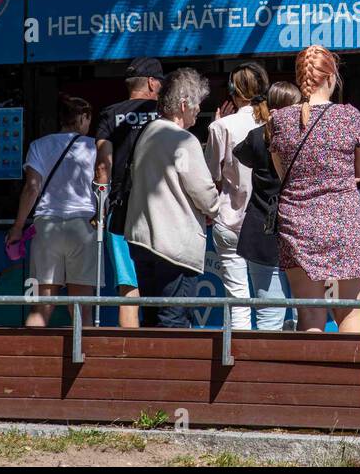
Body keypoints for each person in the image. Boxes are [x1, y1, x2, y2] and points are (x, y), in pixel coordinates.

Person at [269, 45, 360, 332]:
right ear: (332, 77)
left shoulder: (279, 120)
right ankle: (351, 377)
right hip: (343, 222)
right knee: (352, 315)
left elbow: (282, 174)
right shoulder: (348, 116)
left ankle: (313, 377)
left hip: (297, 224)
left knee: (310, 316)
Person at [125, 68, 222, 329]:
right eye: (197, 104)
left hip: (143, 238)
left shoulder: (147, 133)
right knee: (174, 321)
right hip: (173, 244)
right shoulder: (183, 140)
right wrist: (215, 207)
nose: (198, 110)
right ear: (183, 104)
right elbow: (204, 192)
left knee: (153, 317)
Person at [7, 94, 99, 327]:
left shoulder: (39, 146)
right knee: (82, 309)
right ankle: (84, 361)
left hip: (46, 227)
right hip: (83, 226)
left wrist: (18, 227)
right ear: (82, 118)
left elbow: (32, 188)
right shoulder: (94, 147)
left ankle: (31, 359)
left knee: (41, 308)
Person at [93, 57, 164, 328]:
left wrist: (100, 209)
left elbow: (102, 167)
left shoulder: (110, 114)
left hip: (122, 210)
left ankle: (131, 358)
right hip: (161, 208)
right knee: (163, 282)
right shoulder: (165, 112)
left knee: (129, 286)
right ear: (151, 82)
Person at [205, 62, 269, 330]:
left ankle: (240, 360)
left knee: (237, 297)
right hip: (266, 219)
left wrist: (215, 125)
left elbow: (210, 174)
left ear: (234, 90)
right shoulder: (275, 122)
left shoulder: (222, 127)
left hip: (230, 219)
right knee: (269, 299)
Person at [233, 81, 301, 330]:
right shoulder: (302, 141)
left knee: (268, 315)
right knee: (301, 314)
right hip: (297, 232)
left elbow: (240, 153)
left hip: (261, 230)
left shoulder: (256, 137)